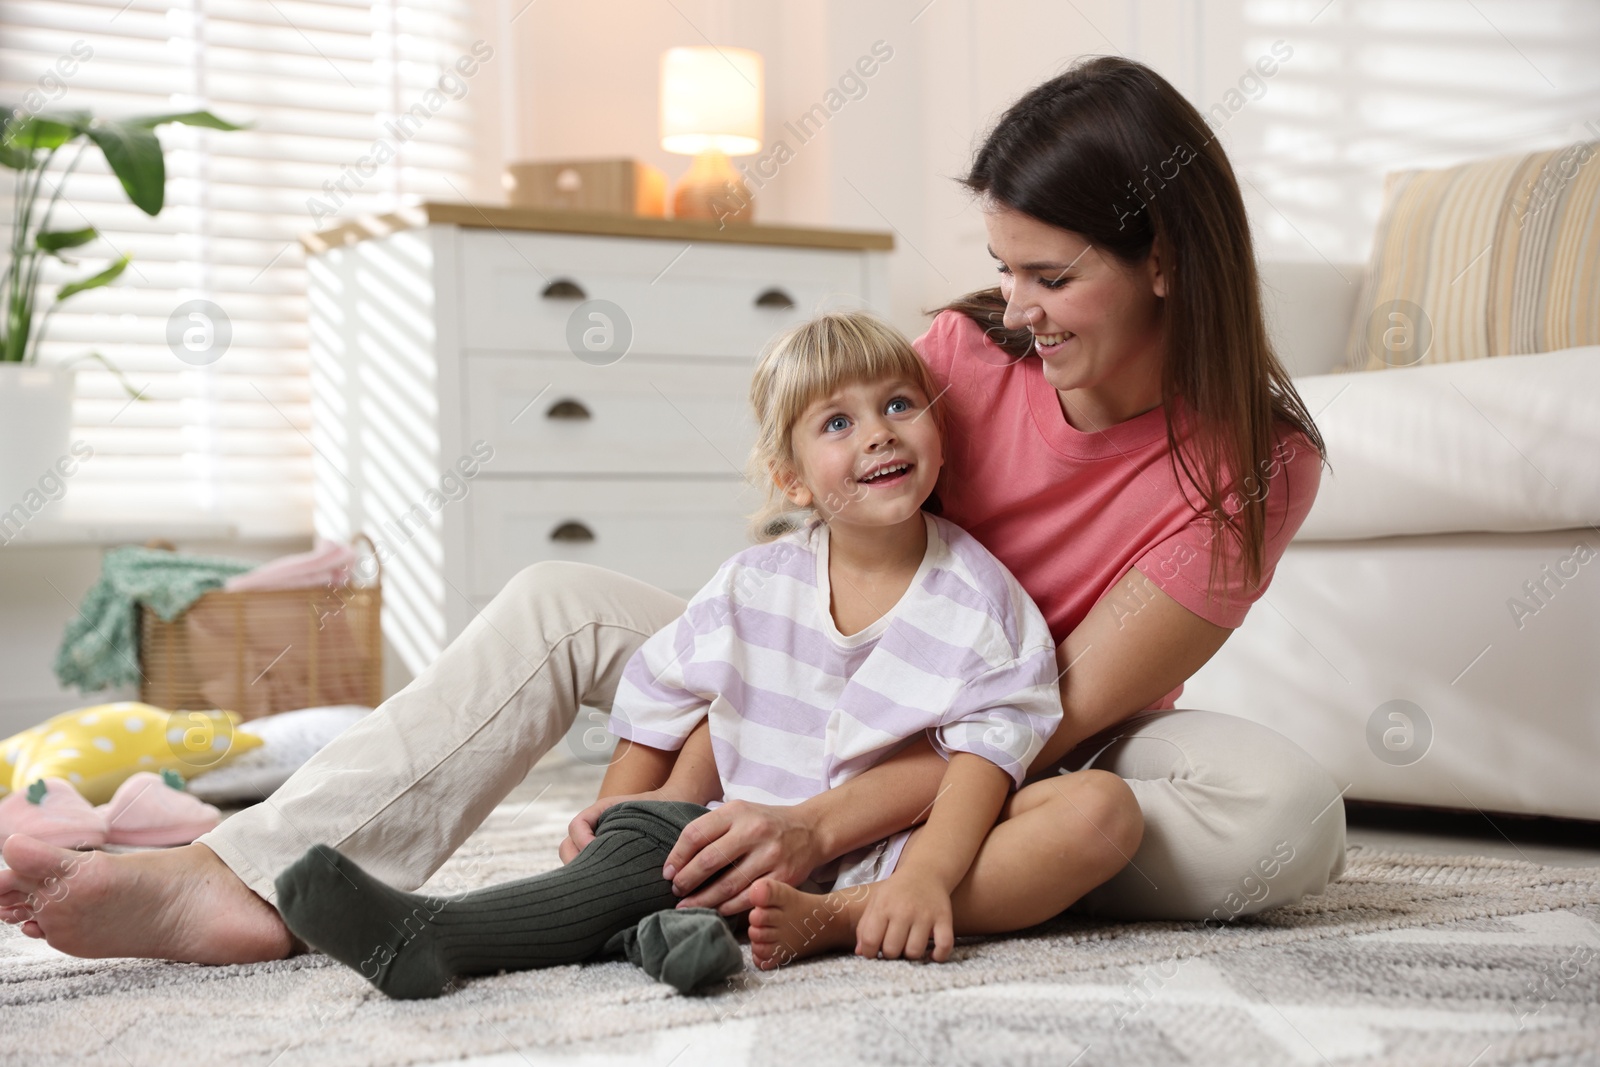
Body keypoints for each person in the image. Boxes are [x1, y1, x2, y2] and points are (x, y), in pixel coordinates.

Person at [0, 55, 1345, 965]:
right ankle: (237, 882)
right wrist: (715, 752)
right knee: (555, 601)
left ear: (1164, 257)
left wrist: (815, 819)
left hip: (1009, 745)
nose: (1020, 311)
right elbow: (794, 576)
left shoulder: (1253, 466)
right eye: (1004, 269)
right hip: (833, 680)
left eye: (1049, 274)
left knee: (1282, 811)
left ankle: (844, 901)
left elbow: (1048, 710)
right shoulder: (961, 350)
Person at [268, 310, 1139, 999]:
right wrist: (613, 818)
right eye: (838, 421)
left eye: (899, 405)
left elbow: (986, 760)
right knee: (683, 771)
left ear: (936, 432)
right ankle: (573, 924)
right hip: (721, 844)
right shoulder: (755, 585)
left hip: (890, 860)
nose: (878, 433)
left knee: (1097, 812)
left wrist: (928, 881)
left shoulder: (980, 601)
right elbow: (659, 698)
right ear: (793, 478)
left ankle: (816, 921)